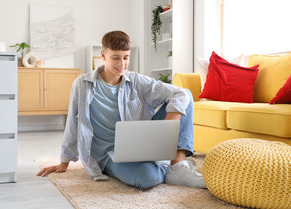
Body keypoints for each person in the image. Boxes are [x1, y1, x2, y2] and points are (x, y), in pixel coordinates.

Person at [37, 30, 206, 189]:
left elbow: (180, 94)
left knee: (185, 95)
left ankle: (177, 165)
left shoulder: (137, 81)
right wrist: (64, 161)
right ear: (103, 55)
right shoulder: (83, 84)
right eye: (116, 57)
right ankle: (162, 166)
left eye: (126, 57)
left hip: (140, 143)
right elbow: (73, 124)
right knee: (149, 178)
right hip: (108, 153)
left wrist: (169, 127)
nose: (122, 64)